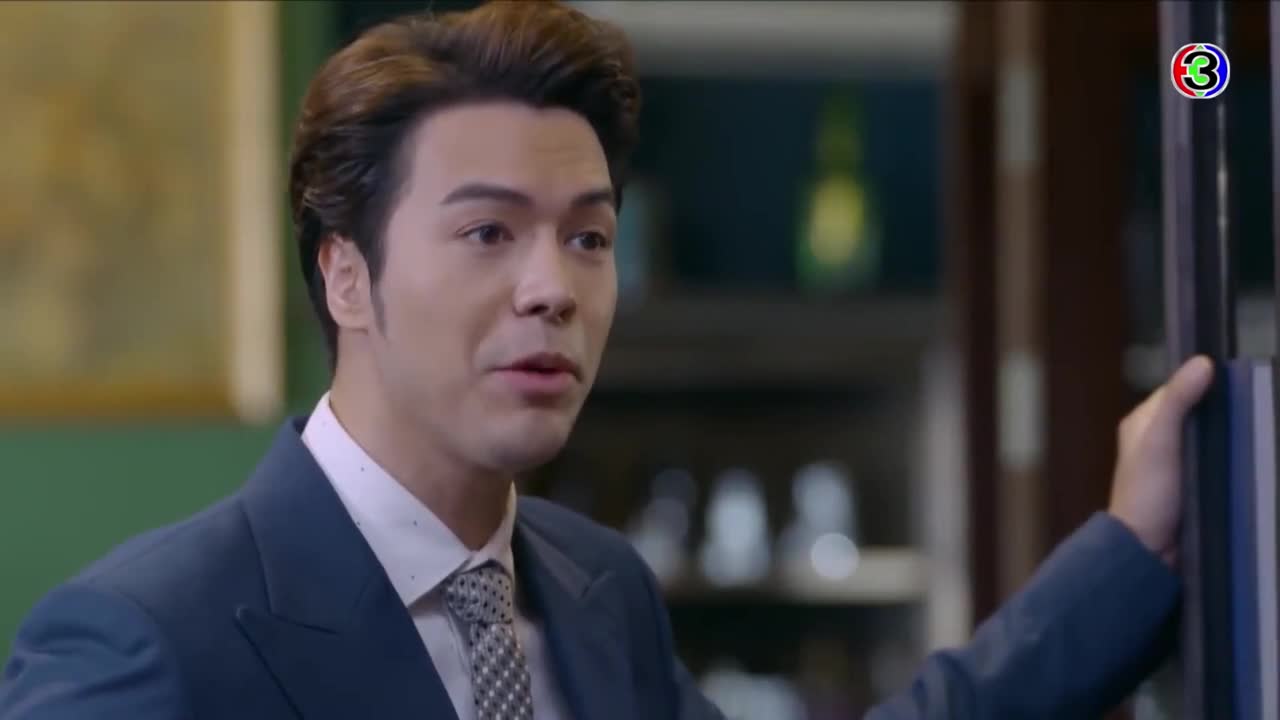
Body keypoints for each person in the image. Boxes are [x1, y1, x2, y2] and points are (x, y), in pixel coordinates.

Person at [0, 2, 1214, 719]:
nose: (553, 288)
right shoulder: (151, 640)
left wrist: (1128, 550)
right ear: (345, 275)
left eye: (587, 237)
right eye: (488, 233)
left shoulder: (594, 593)